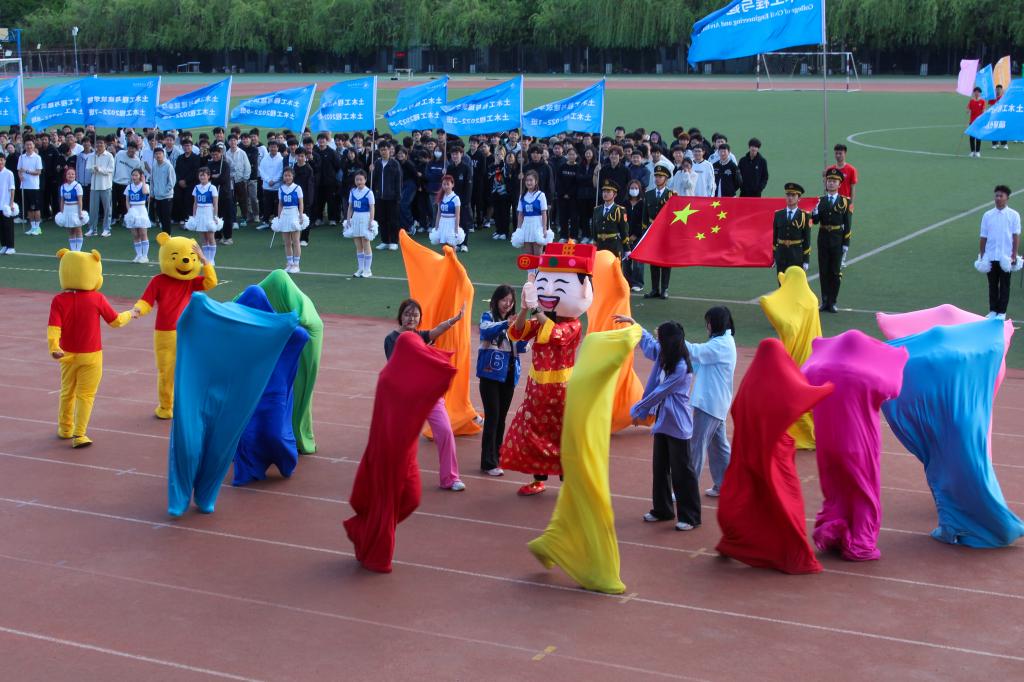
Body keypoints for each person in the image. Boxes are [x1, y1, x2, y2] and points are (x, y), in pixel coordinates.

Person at [615, 316, 698, 531]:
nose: (658, 341)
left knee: (682, 472)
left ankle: (690, 516)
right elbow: (649, 344)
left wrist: (638, 410)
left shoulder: (680, 367)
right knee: (660, 468)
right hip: (663, 421)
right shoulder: (665, 354)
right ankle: (663, 510)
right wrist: (634, 324)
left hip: (678, 425)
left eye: (661, 337)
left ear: (669, 341)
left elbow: (660, 392)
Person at [384, 299, 467, 491]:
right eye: (407, 314)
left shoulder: (420, 336)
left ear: (420, 318)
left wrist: (454, 320)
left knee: (445, 432)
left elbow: (437, 330)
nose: (411, 318)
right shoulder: (391, 339)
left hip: (429, 394)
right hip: (406, 398)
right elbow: (395, 368)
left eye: (415, 315)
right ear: (400, 316)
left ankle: (450, 478)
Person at [685, 306, 737, 497]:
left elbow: (695, 352)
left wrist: (674, 337)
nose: (706, 326)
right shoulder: (722, 342)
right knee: (719, 447)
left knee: (696, 447)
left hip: (710, 404)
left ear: (714, 323)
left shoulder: (721, 345)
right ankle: (727, 485)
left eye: (708, 322)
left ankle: (687, 491)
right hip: (716, 404)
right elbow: (697, 359)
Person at [477, 285, 527, 476]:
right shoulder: (488, 316)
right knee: (493, 417)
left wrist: (526, 334)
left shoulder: (515, 322)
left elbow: (522, 348)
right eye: (504, 300)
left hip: (509, 373)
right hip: (490, 373)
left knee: (501, 418)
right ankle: (488, 463)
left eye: (511, 301)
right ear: (496, 300)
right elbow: (486, 331)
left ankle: (497, 456)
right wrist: (507, 324)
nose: (507, 304)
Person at [976, 184, 1022, 320]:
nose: (998, 198)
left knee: (1005, 285)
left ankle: (1002, 312)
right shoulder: (987, 215)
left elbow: (1015, 236)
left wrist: (1014, 254)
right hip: (990, 256)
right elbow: (983, 236)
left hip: (1005, 257)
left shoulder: (1013, 215)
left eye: (1001, 196)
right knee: (992, 285)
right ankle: (992, 310)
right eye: (996, 195)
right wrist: (982, 254)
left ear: (1007, 198)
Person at [812, 169, 852, 313]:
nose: (831, 183)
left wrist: (846, 243)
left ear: (839, 184)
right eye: (829, 181)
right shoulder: (820, 201)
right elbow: (815, 221)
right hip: (823, 238)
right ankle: (824, 301)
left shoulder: (845, 201)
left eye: (834, 181)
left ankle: (833, 301)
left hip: (837, 239)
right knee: (824, 271)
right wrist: (815, 212)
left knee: (835, 271)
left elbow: (848, 224)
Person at [644, 167, 676, 299]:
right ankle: (655, 289)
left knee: (666, 261)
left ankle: (665, 289)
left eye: (660, 176)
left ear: (666, 179)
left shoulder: (672, 195)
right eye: (656, 176)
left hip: (666, 232)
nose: (657, 179)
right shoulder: (648, 194)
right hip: (652, 232)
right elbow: (645, 216)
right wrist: (645, 231)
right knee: (653, 260)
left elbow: (675, 215)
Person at [271, 167, 308, 274]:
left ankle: (296, 264)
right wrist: (279, 217)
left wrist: (300, 215)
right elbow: (280, 204)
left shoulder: (297, 188)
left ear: (293, 176)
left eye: (289, 175)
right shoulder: (281, 189)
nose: (287, 177)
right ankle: (289, 263)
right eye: (285, 175)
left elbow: (301, 203)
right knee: (287, 242)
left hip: (294, 214)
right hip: (285, 215)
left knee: (296, 241)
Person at [773, 182, 812, 277]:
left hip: (796, 255)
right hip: (781, 254)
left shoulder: (805, 216)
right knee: (782, 281)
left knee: (795, 282)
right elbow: (775, 237)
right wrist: (774, 256)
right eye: (788, 195)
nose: (790, 198)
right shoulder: (778, 214)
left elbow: (807, 239)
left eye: (793, 195)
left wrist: (806, 260)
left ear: (799, 198)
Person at [185, 167, 222, 266]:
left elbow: (215, 204)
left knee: (210, 237)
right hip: (200, 213)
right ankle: (205, 259)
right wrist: (194, 216)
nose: (202, 177)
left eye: (204, 175)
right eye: (200, 175)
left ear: (208, 176)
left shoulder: (212, 188)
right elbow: (195, 203)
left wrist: (215, 216)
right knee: (203, 238)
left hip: (209, 212)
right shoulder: (196, 188)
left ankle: (211, 259)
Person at [344, 169, 376, 278]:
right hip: (356, 218)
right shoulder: (352, 192)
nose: (359, 182)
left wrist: (371, 221)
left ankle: (368, 270)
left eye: (361, 179)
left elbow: (372, 208)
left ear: (365, 180)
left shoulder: (369, 192)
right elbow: (350, 207)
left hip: (365, 218)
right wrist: (348, 219)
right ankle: (360, 268)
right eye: (357, 179)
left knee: (366, 243)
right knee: (358, 245)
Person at [371, 141, 402, 251]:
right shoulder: (376, 163)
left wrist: (398, 196)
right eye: (381, 150)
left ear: (390, 150)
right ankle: (385, 241)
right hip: (379, 196)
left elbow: (398, 181)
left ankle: (394, 241)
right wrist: (371, 171)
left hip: (392, 197)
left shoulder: (395, 163)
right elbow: (373, 181)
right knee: (382, 219)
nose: (384, 152)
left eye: (385, 149)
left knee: (393, 220)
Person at [512, 169, 551, 256]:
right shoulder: (522, 196)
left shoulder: (541, 195)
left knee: (537, 254)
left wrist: (544, 229)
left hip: (537, 225)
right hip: (526, 225)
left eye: (531, 180)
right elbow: (520, 214)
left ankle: (540, 265)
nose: (528, 182)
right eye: (527, 180)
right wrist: (518, 229)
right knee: (528, 255)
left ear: (536, 181)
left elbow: (544, 213)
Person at [85, 138, 114, 237]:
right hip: (94, 186)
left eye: (101, 143)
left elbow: (110, 170)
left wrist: (100, 169)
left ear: (105, 144)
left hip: (106, 186)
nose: (99, 145)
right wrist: (94, 169)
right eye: (97, 143)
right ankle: (92, 229)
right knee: (93, 209)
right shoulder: (91, 156)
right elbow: (88, 168)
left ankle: (107, 229)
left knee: (107, 209)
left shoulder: (109, 156)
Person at [592, 180, 628, 256]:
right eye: (604, 191)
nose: (605, 194)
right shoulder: (597, 210)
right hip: (600, 246)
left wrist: (627, 249)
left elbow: (624, 231)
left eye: (608, 192)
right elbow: (594, 230)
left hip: (613, 246)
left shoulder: (619, 210)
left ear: (615, 194)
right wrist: (594, 245)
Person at [55, 168, 88, 252]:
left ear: (75, 175)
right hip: (67, 210)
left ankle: (78, 250)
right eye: (69, 174)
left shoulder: (77, 186)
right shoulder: (63, 187)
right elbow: (62, 200)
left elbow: (80, 200)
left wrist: (80, 212)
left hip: (75, 209)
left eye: (73, 174)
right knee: (71, 230)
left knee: (78, 229)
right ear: (66, 176)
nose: (71, 175)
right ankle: (73, 250)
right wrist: (62, 212)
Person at [123, 168, 152, 263]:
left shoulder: (145, 185)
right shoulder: (129, 187)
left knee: (143, 233)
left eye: (136, 175)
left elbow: (145, 192)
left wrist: (143, 181)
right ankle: (138, 255)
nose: (134, 177)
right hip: (132, 210)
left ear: (140, 176)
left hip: (141, 210)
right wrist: (129, 211)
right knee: (135, 234)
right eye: (133, 175)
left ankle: (145, 256)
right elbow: (127, 200)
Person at [430, 174, 465, 250]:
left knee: (451, 247)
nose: (446, 186)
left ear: (452, 185)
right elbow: (438, 214)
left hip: (451, 223)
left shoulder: (456, 198)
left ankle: (453, 257)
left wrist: (456, 229)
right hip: (442, 223)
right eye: (444, 184)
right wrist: (436, 227)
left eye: (448, 184)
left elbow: (457, 215)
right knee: (443, 247)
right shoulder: (441, 197)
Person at [623, 179, 646, 291]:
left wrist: (635, 235)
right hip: (625, 237)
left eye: (636, 188)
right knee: (626, 261)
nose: (634, 190)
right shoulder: (624, 204)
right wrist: (625, 235)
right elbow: (621, 221)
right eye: (632, 188)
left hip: (638, 237)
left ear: (640, 190)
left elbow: (643, 222)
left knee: (638, 261)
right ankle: (627, 282)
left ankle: (638, 283)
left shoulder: (643, 203)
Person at [112, 141, 143, 225]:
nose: (131, 150)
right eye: (129, 148)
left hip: (126, 184)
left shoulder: (137, 161)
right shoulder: (120, 153)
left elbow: (137, 173)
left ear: (136, 150)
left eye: (133, 148)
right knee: (113, 202)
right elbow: (114, 166)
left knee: (124, 203)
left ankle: (125, 219)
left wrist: (133, 184)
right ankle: (114, 218)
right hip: (115, 182)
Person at [17, 139, 43, 236]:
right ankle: (32, 227)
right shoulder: (21, 157)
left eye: (30, 144)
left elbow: (38, 172)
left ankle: (38, 227)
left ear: (33, 146)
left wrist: (27, 171)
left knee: (35, 208)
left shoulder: (37, 157)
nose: (29, 146)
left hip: (34, 186)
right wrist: (20, 176)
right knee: (29, 208)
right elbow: (19, 170)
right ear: (24, 146)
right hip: (24, 186)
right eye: (27, 145)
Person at [257, 140, 283, 228]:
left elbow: (281, 171)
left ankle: (276, 222)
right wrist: (268, 180)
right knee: (267, 205)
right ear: (268, 148)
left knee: (277, 205)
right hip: (267, 187)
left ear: (278, 148)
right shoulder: (265, 158)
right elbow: (261, 170)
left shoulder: (281, 159)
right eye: (271, 147)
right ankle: (265, 221)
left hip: (277, 187)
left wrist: (274, 180)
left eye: (275, 147)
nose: (273, 149)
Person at [150, 146, 175, 235]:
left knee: (166, 217)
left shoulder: (168, 166)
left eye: (160, 154)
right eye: (156, 154)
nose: (158, 155)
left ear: (163, 155)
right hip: (157, 196)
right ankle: (163, 234)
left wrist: (164, 191)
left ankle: (168, 235)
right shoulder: (154, 166)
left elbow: (172, 181)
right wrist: (152, 192)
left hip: (166, 196)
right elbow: (152, 180)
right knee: (160, 216)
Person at [0, 154, 15, 255]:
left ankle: (11, 247)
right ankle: (4, 245)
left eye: (1, 160)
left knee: (8, 226)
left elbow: (12, 188)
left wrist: (11, 203)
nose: (0, 162)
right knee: (1, 227)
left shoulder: (9, 173)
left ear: (4, 161)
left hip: (6, 205)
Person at [988, 84, 1009, 150]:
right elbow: (990, 106)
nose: (998, 91)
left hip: (1002, 116)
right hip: (994, 117)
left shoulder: (1004, 98)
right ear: (995, 90)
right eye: (997, 89)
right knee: (993, 130)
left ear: (1002, 90)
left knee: (1002, 130)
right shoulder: (992, 98)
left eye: (999, 89)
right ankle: (995, 144)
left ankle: (1004, 144)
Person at [967, 86, 986, 158]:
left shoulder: (982, 101)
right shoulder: (971, 101)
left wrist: (983, 115)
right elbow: (968, 109)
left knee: (978, 136)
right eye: (975, 92)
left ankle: (977, 151)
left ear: (980, 93)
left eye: (978, 92)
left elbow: (984, 110)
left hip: (979, 122)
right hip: (972, 122)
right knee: (972, 137)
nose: (977, 93)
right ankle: (972, 151)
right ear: (974, 93)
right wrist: (968, 111)